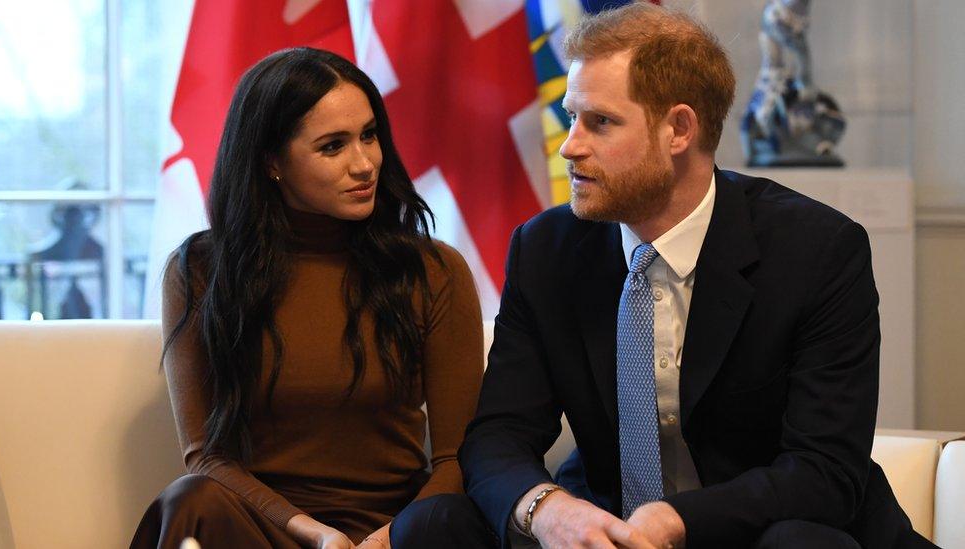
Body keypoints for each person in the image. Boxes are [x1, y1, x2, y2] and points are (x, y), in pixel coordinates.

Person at [393, 4, 932, 548]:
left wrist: (678, 520)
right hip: (607, 531)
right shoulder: (547, 249)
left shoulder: (817, 250)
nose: (569, 146)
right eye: (570, 116)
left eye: (599, 122)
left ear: (678, 129)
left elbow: (824, 471)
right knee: (431, 527)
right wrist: (548, 510)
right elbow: (498, 435)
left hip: (766, 529)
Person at [130, 47, 484, 549]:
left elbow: (457, 458)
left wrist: (386, 540)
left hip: (399, 531)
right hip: (266, 529)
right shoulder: (202, 271)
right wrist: (316, 535)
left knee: (450, 518)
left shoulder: (433, 269)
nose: (364, 164)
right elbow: (207, 457)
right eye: (332, 147)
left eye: (369, 135)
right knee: (191, 500)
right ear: (272, 162)